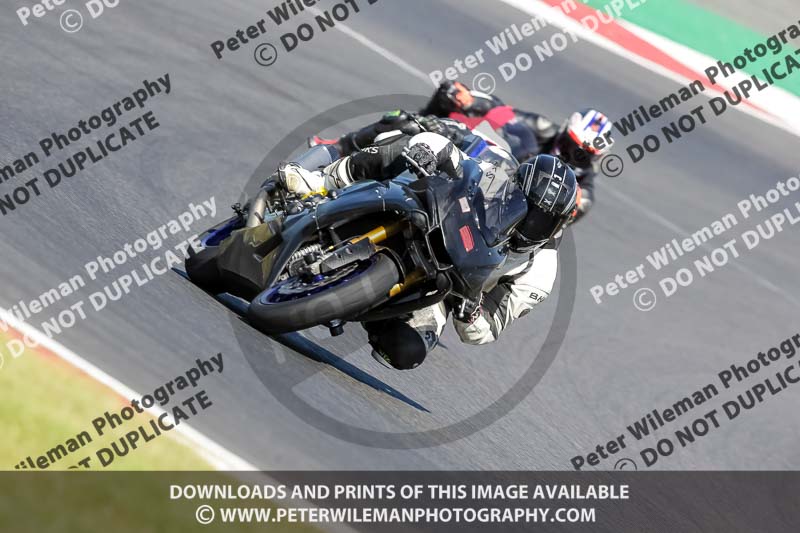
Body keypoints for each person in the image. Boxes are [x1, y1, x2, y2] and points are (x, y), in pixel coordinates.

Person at [276, 131, 578, 370]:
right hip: (428, 221)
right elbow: (452, 153)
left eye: (543, 222)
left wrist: (472, 313)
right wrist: (426, 151)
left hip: (443, 288)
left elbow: (489, 326)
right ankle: (321, 181)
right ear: (514, 186)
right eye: (526, 208)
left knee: (405, 351)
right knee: (399, 146)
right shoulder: (495, 175)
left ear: (560, 224)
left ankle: (357, 302)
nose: (528, 225)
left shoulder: (540, 273)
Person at [422, 81, 615, 224]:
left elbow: (549, 230)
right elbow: (502, 112)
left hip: (510, 226)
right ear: (563, 132)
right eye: (571, 146)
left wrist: (571, 204)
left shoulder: (584, 194)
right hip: (488, 184)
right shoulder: (542, 128)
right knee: (447, 95)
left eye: (584, 155)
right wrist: (471, 101)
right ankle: (417, 127)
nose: (573, 157)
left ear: (596, 157)